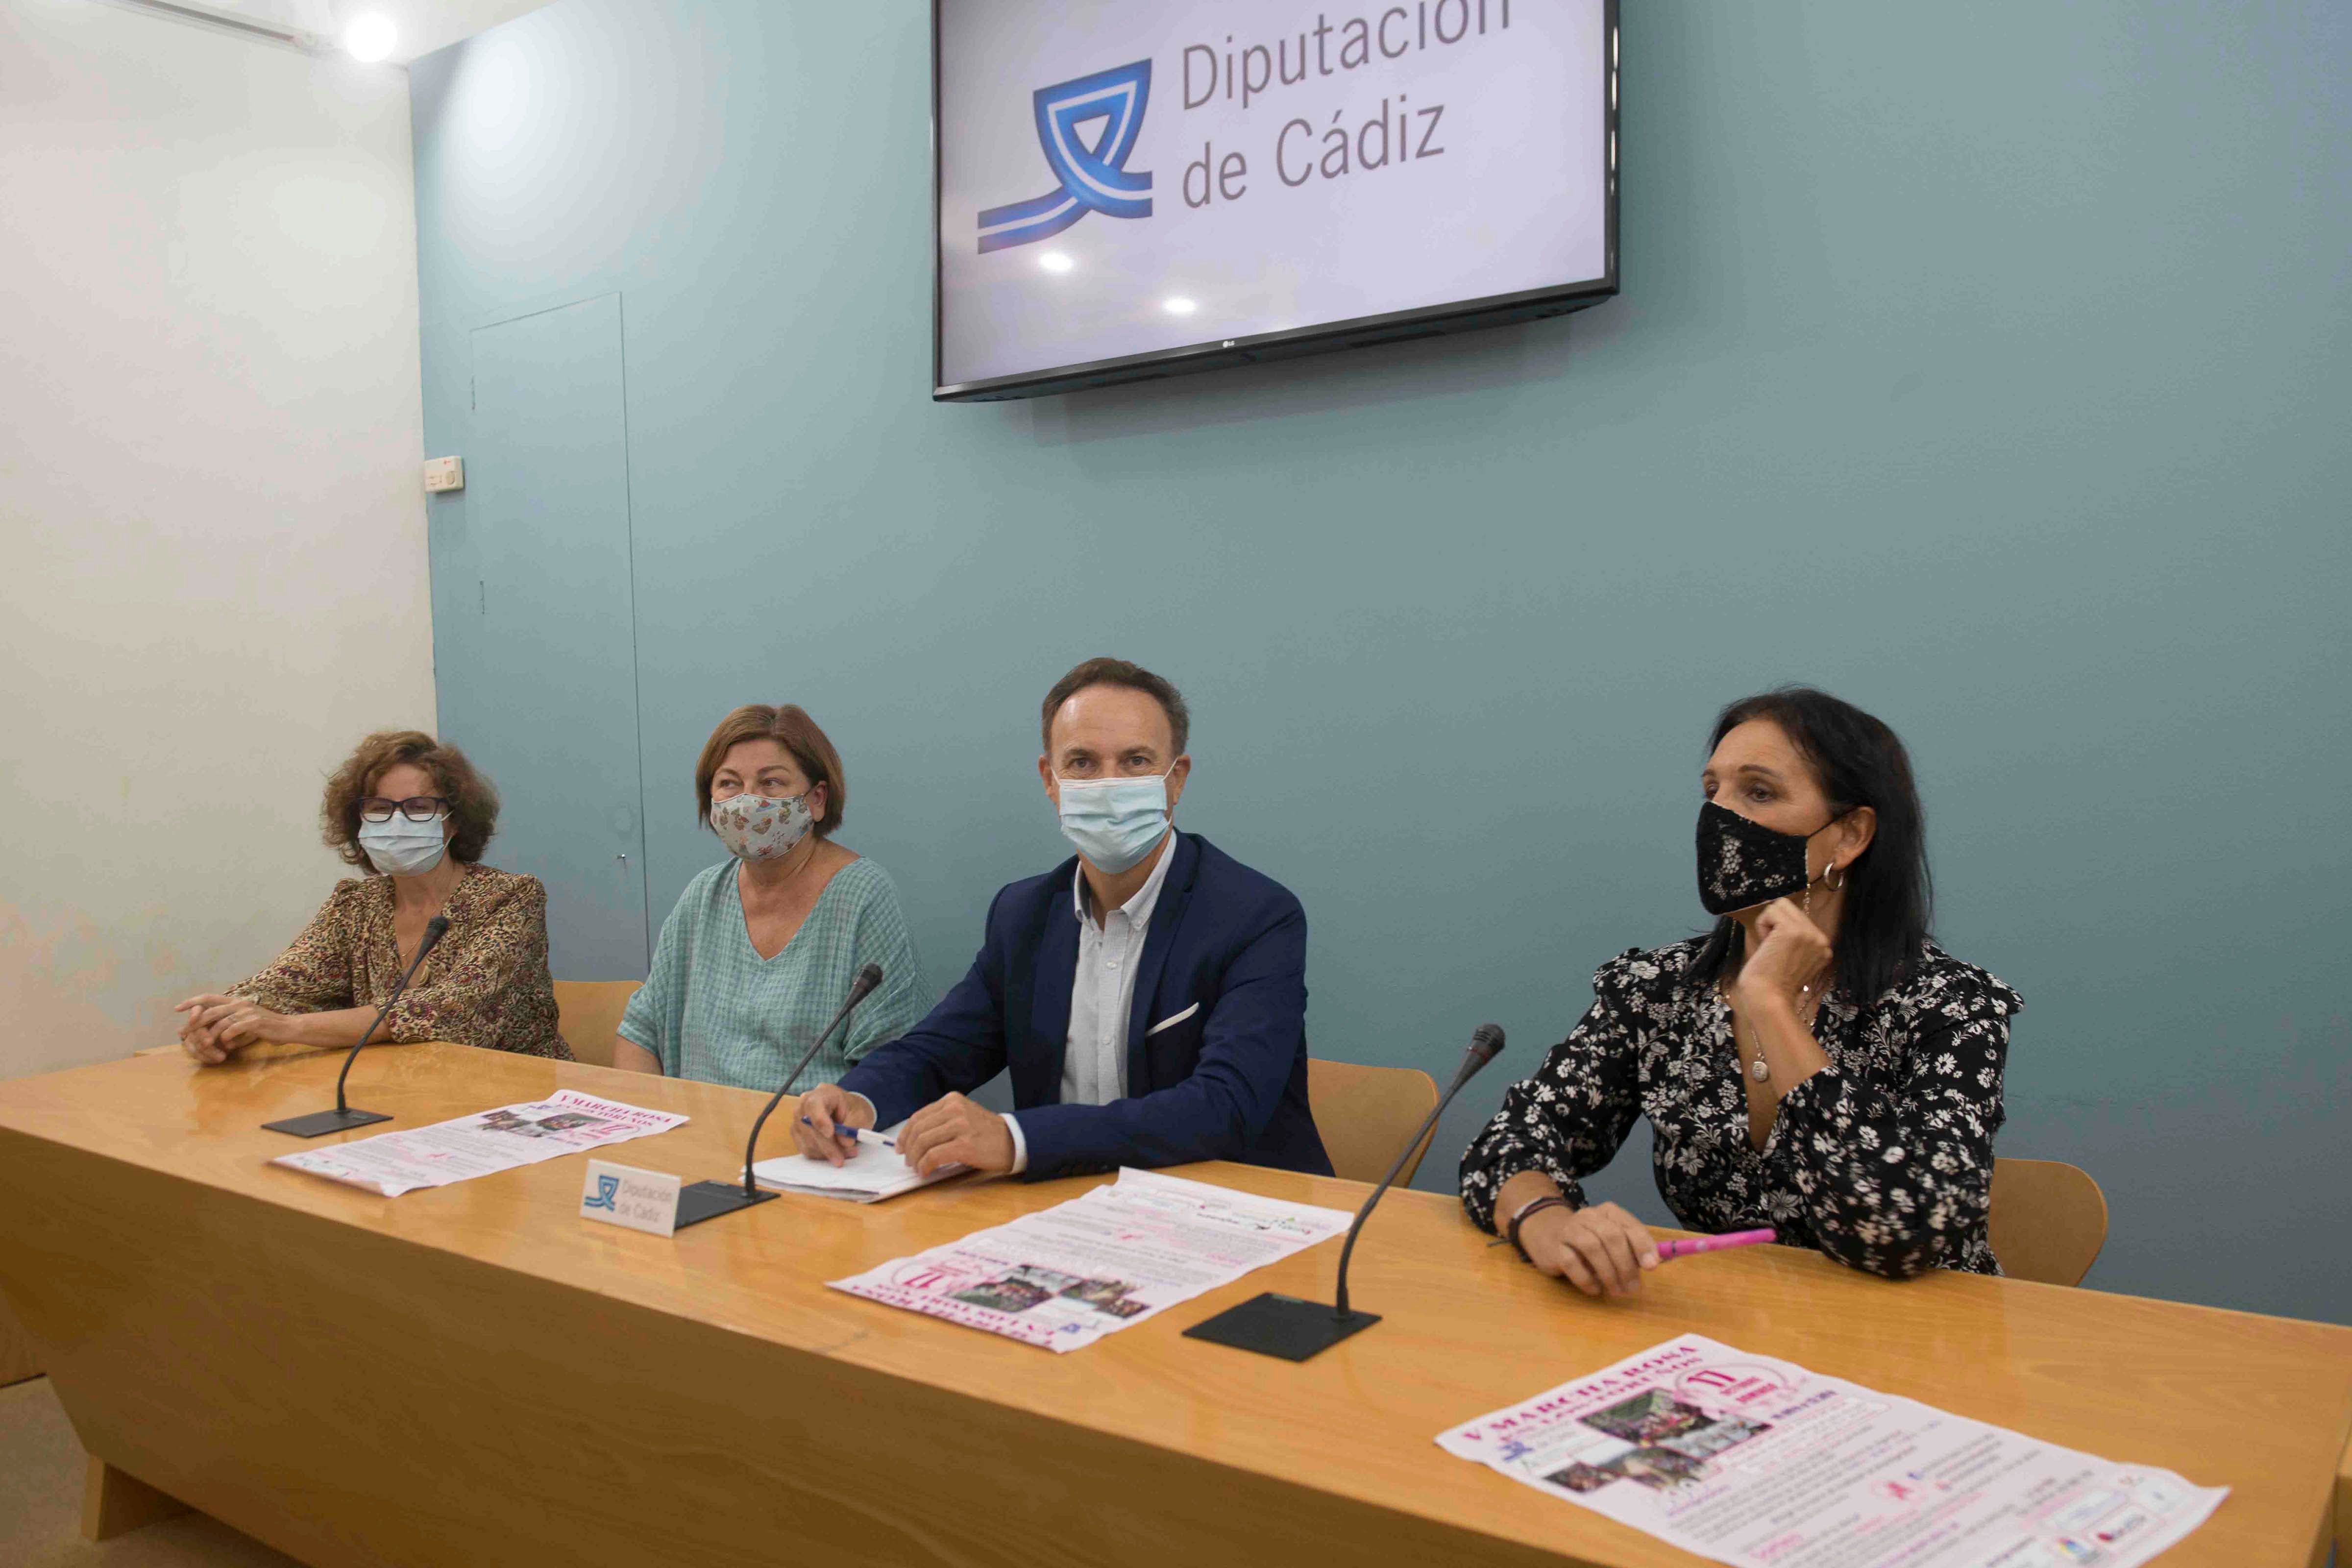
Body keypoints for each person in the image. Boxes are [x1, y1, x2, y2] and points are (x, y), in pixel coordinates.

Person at [1460, 687, 2021, 1294]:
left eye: (1758, 791)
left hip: (1924, 1349)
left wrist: (1774, 1008)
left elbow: (1899, 1229)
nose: (1720, 816)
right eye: (1712, 791)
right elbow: (1510, 1142)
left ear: (1850, 835)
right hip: (1734, 1344)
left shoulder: (1949, 1005)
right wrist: (1544, 1222)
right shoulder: (1658, 989)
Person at [792, 658, 1331, 1182]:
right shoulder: (1023, 914)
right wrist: (857, 1099)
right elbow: (938, 1051)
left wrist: (1018, 1140)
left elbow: (1225, 1105)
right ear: (1050, 779)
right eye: (1083, 763)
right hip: (1067, 1212)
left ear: (1177, 779)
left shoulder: (1255, 916)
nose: (1108, 784)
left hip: (1233, 1209)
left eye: (1137, 760)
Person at [175, 731, 569, 1062]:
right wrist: (223, 1022)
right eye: (380, 808)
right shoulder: (355, 906)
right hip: (397, 1096)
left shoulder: (510, 897)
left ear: (455, 822)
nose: (397, 822)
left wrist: (286, 1027)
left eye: (418, 807)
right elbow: (285, 985)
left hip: (515, 1102)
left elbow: (453, 1012)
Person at [612, 704, 928, 1090]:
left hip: (811, 1140)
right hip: (697, 1135)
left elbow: (889, 1061)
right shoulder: (703, 896)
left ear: (817, 799)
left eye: (770, 783)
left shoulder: (863, 896)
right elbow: (640, 1034)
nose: (748, 803)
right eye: (729, 783)